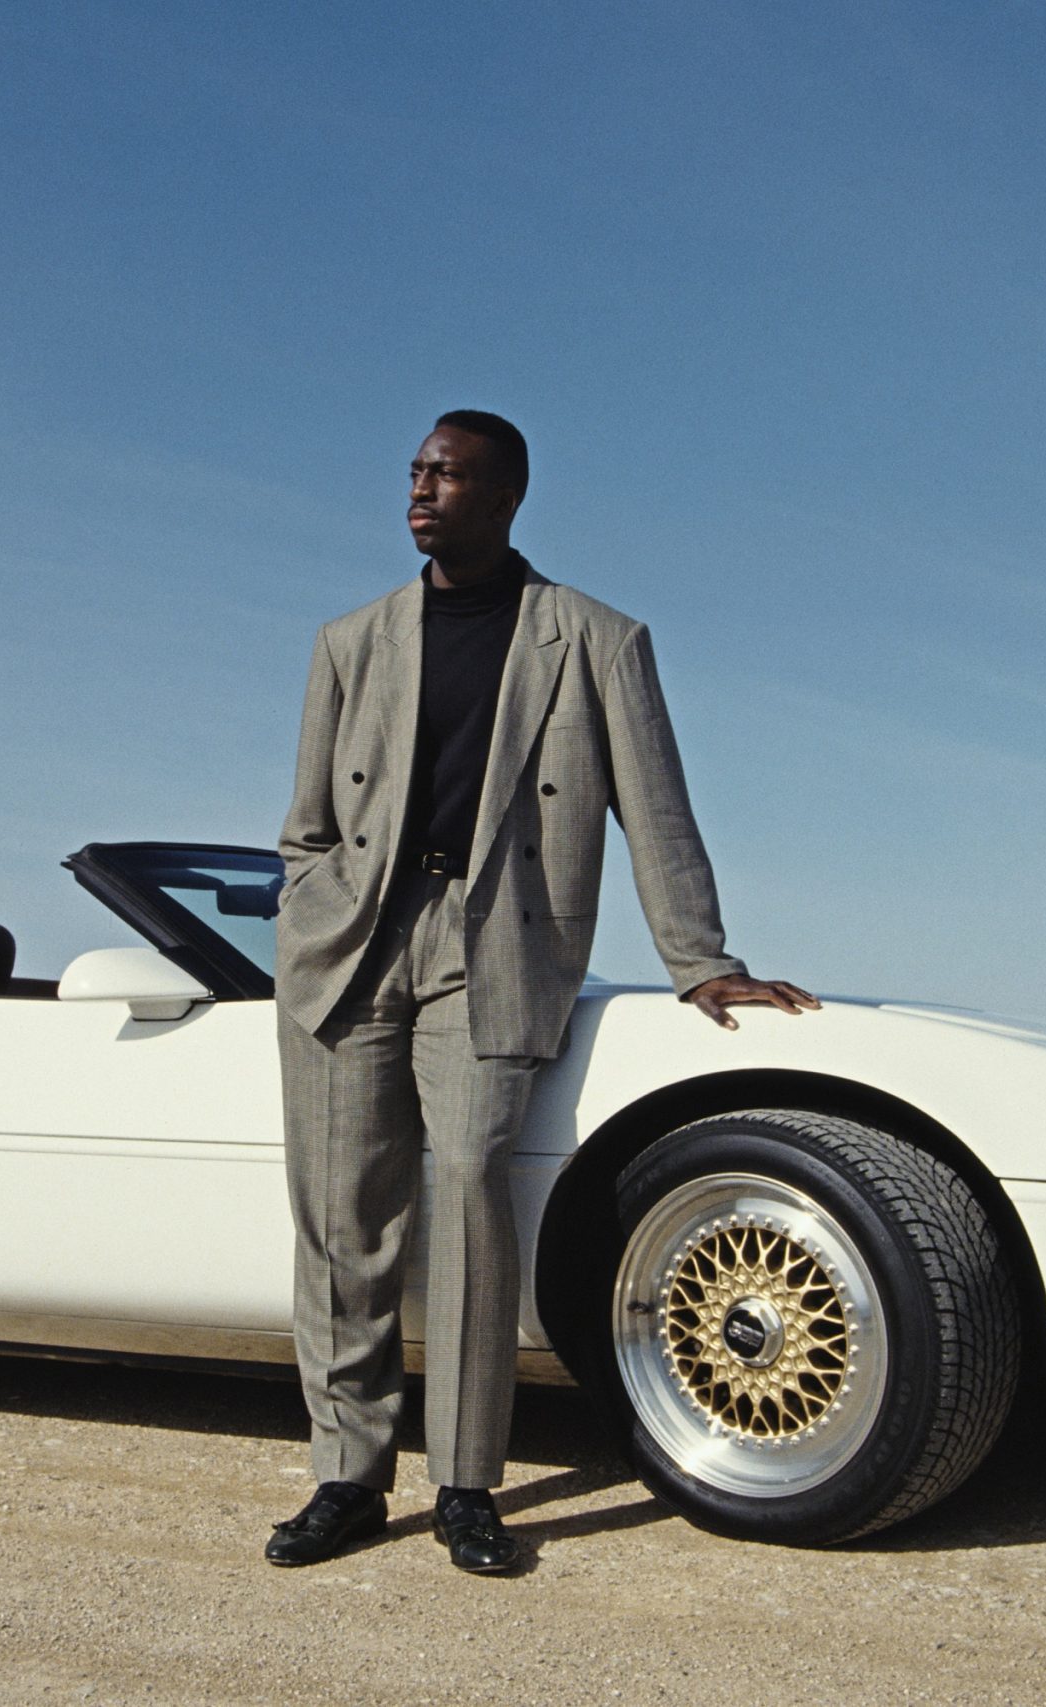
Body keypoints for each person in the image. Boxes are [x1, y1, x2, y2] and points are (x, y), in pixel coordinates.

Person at [265, 410, 815, 1573]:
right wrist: (307, 909)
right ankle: (345, 1478)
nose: (421, 489)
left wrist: (701, 958)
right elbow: (305, 825)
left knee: (467, 1191)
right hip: (352, 944)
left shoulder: (594, 639)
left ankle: (466, 1485)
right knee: (340, 1220)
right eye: (415, 471)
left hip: (496, 945)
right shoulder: (351, 640)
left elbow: (654, 809)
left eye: (448, 474)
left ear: (506, 495)